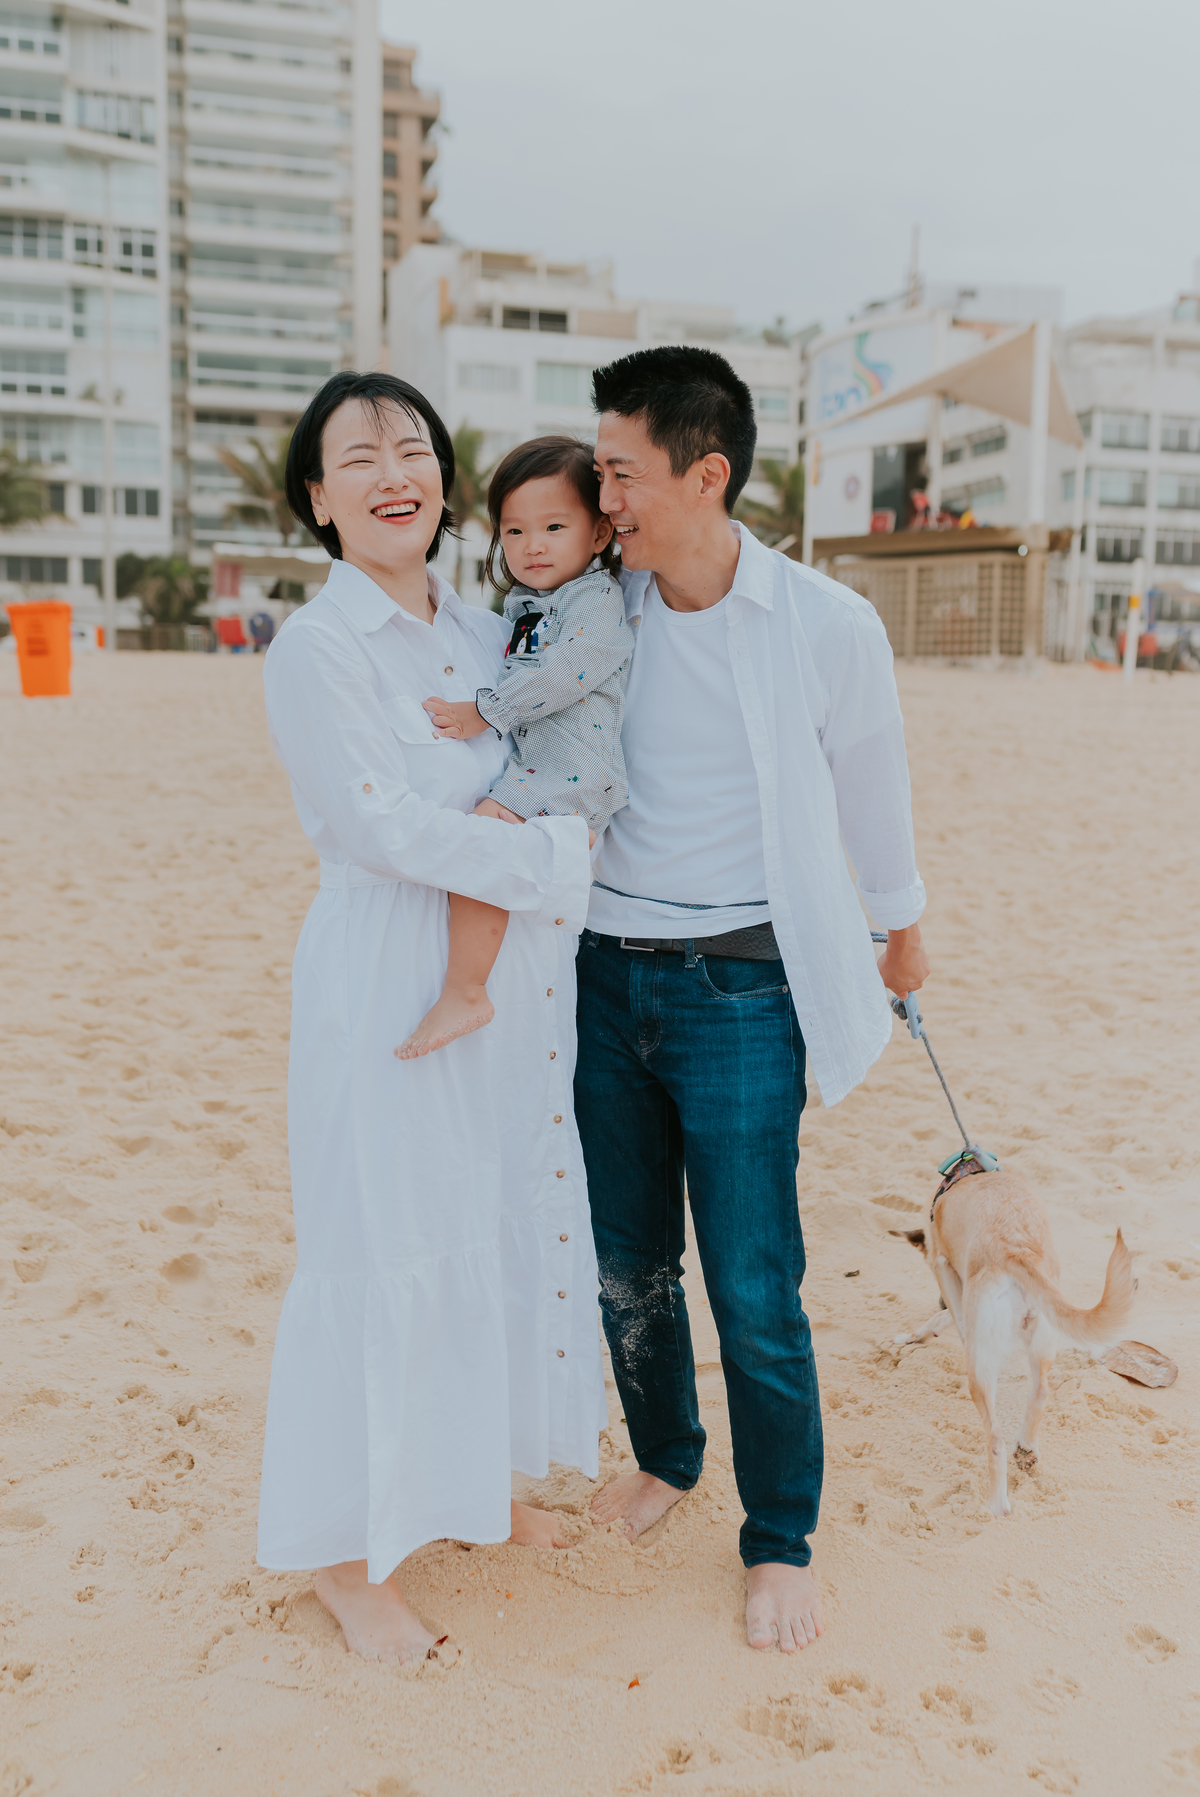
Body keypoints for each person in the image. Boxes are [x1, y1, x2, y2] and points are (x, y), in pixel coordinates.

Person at [575, 345, 930, 1655]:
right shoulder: (595, 606)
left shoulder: (824, 623)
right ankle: (668, 1454)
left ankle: (781, 1533)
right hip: (602, 978)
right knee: (629, 1266)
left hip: (742, 990)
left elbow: (871, 782)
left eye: (621, 471)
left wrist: (902, 928)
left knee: (754, 1278)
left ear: (705, 474)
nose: (603, 494)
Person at [256, 371, 605, 1663]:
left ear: (445, 483)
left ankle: (472, 1489)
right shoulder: (322, 648)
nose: (392, 469)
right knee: (377, 1234)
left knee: (485, 1220)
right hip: (387, 967)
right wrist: (557, 865)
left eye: (412, 447)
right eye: (359, 456)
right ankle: (346, 1562)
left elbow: (545, 759)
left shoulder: (484, 629)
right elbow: (378, 827)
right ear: (318, 500)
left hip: (500, 976)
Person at [399, 436, 631, 1057]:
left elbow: (568, 672)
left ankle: (467, 989)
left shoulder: (597, 600)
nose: (533, 546)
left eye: (555, 526)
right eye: (515, 531)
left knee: (482, 833)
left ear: (600, 532)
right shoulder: (526, 603)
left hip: (573, 771)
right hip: (548, 766)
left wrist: (483, 713)